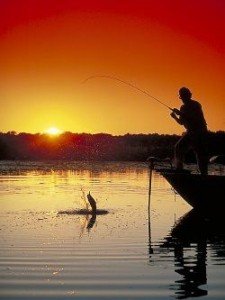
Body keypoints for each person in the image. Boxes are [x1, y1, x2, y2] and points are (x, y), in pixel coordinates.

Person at [170, 87, 208, 175]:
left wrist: (180, 113)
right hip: (190, 132)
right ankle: (179, 168)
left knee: (200, 153)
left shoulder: (195, 104)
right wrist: (175, 117)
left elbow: (194, 119)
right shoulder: (182, 107)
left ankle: (204, 175)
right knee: (178, 147)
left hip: (200, 131)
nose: (182, 98)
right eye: (181, 97)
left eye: (184, 96)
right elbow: (181, 122)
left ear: (188, 95)